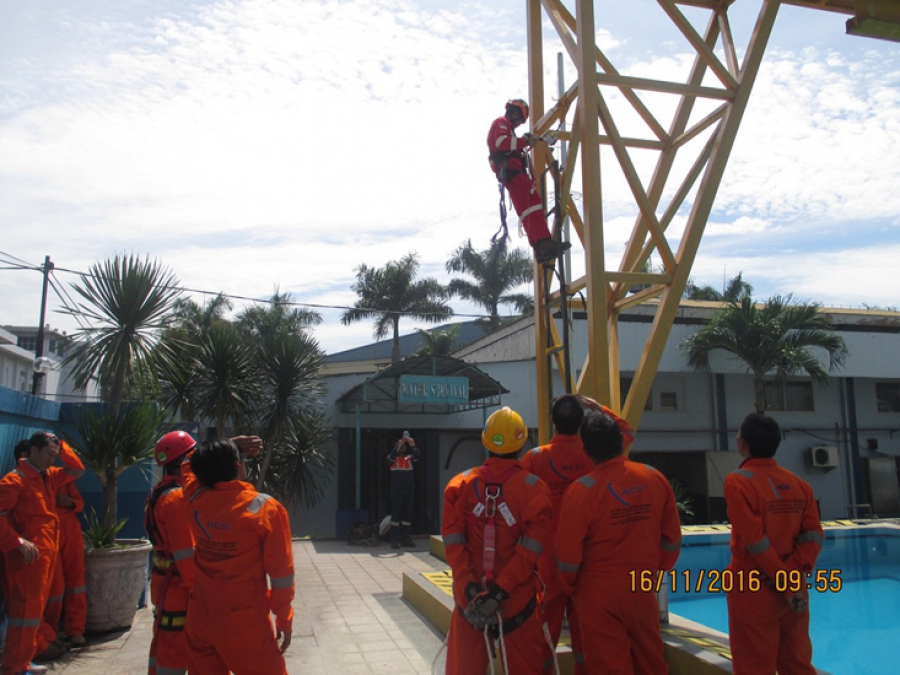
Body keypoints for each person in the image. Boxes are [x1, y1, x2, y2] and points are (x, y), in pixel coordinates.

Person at [555, 412, 681, 675]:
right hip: (642, 585)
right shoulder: (652, 477)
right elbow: (671, 539)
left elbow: (567, 557)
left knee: (608, 665)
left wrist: (572, 588)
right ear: (619, 441)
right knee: (651, 660)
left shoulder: (582, 491)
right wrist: (655, 570)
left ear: (586, 449)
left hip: (598, 593)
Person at [521, 395, 636, 674]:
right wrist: (598, 409)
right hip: (589, 563)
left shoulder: (535, 458)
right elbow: (627, 432)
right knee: (586, 637)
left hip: (548, 564)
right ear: (582, 420)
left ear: (552, 422)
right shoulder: (596, 452)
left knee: (544, 634)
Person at [441, 407, 552, 675]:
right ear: (522, 443)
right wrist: (499, 591)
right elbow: (530, 552)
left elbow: (454, 546)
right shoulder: (535, 490)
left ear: (485, 441)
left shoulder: (459, 485)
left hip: (470, 605)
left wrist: (470, 589)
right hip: (516, 605)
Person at [181, 436, 294, 675]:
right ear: (237, 465)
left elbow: (187, 464)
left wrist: (224, 445)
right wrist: (284, 619)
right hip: (244, 624)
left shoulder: (193, 497)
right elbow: (281, 575)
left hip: (200, 618)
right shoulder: (266, 509)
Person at [725, 413, 824, 675]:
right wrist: (792, 579)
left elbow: (754, 541)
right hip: (796, 588)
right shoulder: (799, 484)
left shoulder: (738, 482)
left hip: (753, 587)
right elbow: (813, 535)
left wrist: (781, 580)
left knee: (754, 667)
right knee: (798, 664)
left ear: (743, 443)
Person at [0, 432, 85, 675]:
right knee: (24, 616)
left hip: (44, 558)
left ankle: (23, 662)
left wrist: (60, 443)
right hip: (26, 561)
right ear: (33, 451)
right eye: (49, 454)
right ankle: (14, 668)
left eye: (55, 456)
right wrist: (17, 542)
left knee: (32, 615)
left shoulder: (47, 478)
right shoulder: (15, 480)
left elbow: (77, 470)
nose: (53, 460)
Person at [487, 98, 571, 264]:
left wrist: (524, 145)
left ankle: (540, 246)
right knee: (532, 206)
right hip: (512, 172)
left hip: (511, 173)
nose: (519, 123)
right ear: (514, 111)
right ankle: (543, 243)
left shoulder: (510, 131)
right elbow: (501, 142)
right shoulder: (501, 122)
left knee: (528, 210)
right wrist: (524, 142)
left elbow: (511, 146)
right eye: (519, 118)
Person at [144, 431, 198, 675]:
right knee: (175, 650)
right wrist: (199, 591)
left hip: (166, 582)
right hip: (178, 587)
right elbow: (186, 555)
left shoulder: (159, 492)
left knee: (164, 642)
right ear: (184, 461)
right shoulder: (176, 499)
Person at [41, 479, 87, 648]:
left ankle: (76, 630)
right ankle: (50, 634)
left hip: (70, 532)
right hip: (48, 533)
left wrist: (70, 503)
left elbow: (79, 503)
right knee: (55, 587)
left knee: (77, 583)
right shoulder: (34, 481)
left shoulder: (63, 478)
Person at [387, 431, 420, 550]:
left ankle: (405, 538)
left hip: (409, 491)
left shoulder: (409, 458)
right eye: (400, 446)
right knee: (395, 516)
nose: (402, 448)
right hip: (396, 492)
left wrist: (412, 445)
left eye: (403, 446)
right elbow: (390, 458)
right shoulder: (393, 458)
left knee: (407, 516)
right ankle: (394, 540)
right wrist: (398, 446)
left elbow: (417, 456)